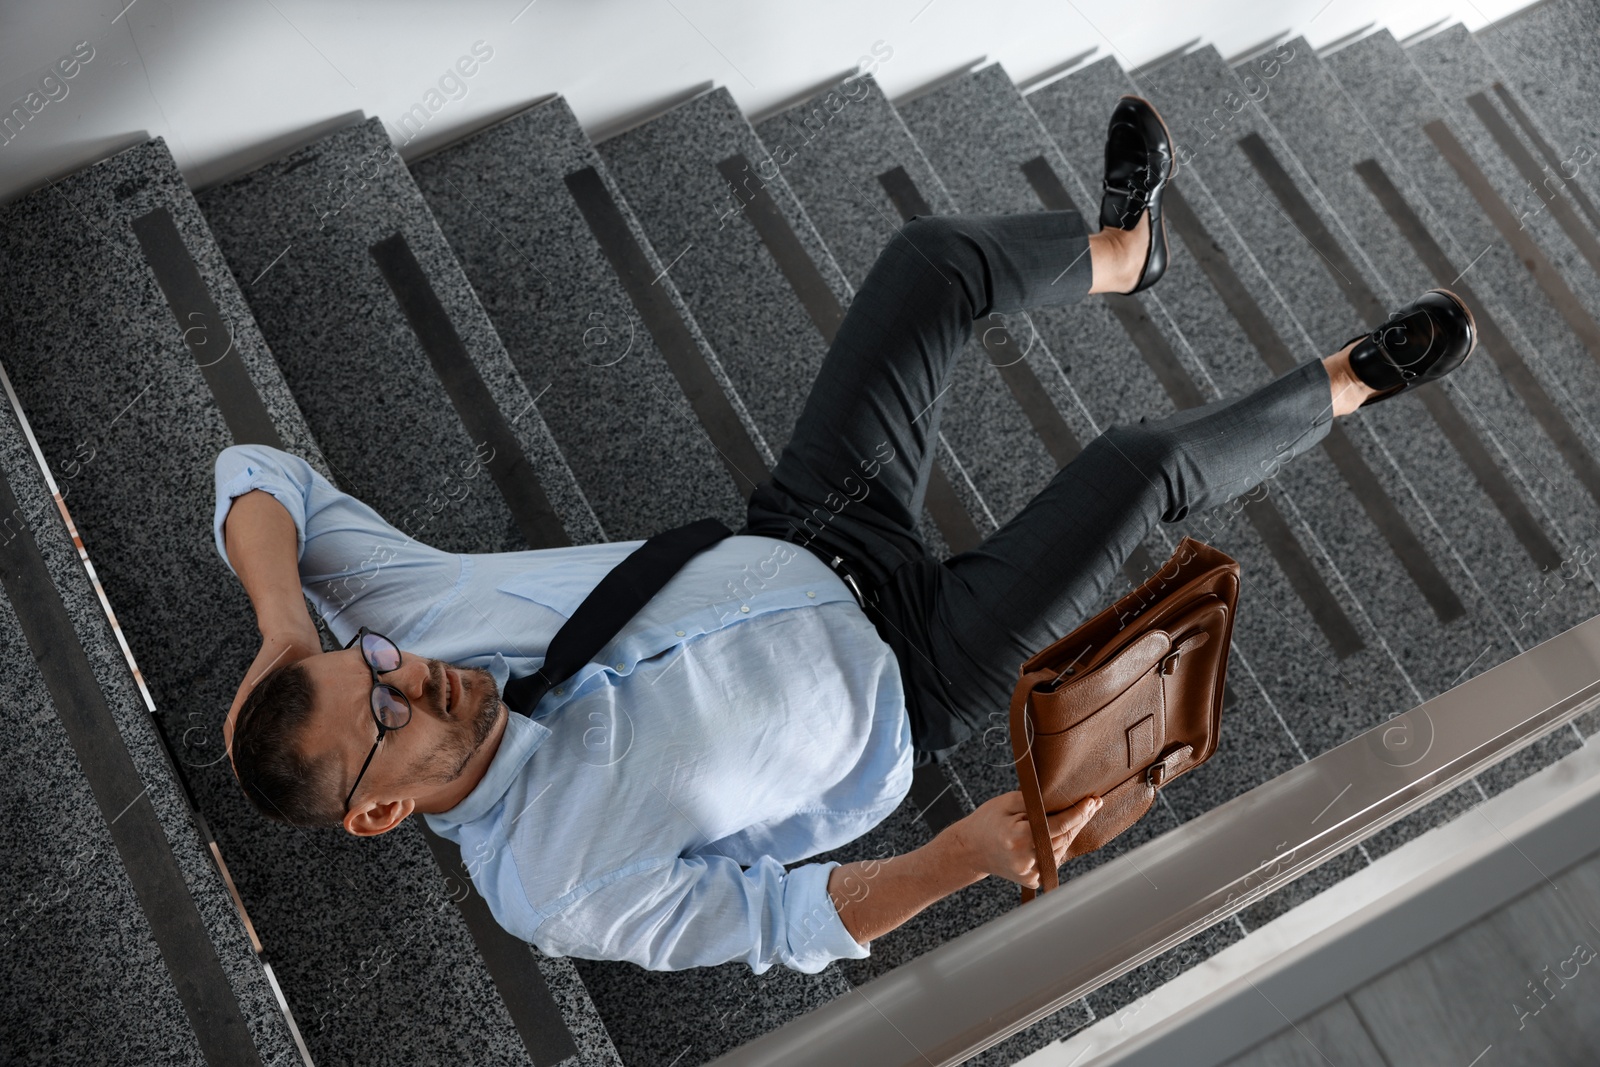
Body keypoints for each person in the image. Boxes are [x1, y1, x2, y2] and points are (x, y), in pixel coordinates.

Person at [219, 96, 1476, 974]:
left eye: (367, 667)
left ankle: (1120, 249)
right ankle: (1350, 382)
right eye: (385, 715)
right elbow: (776, 918)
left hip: (811, 523)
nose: (406, 675)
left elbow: (256, 472)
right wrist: (953, 853)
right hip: (913, 672)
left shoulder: (411, 629)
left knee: (928, 262)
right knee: (1135, 467)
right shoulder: (554, 887)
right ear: (380, 813)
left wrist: (288, 628)